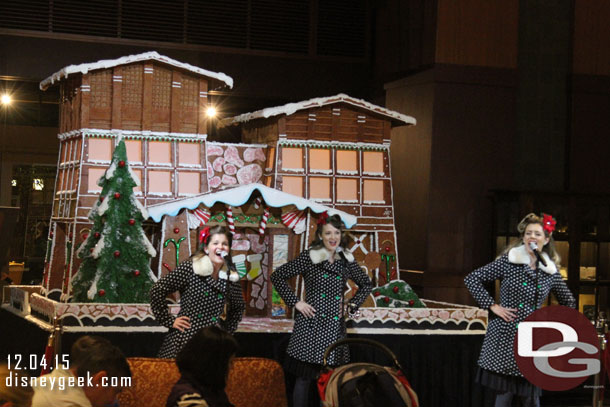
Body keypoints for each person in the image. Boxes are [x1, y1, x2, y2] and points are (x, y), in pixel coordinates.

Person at [464, 213, 576, 407]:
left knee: (531, 397)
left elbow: (569, 302)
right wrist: (493, 306)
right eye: (528, 233)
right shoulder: (509, 261)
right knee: (504, 394)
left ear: (546, 240)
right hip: (506, 334)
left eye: (537, 234)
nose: (532, 237)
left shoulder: (550, 271)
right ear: (523, 238)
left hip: (532, 338)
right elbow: (472, 278)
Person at [270, 213, 372, 407]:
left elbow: (366, 284)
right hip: (311, 325)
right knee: (304, 379)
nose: (333, 237)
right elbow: (278, 276)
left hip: (334, 328)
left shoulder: (346, 259)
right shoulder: (310, 257)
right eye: (328, 233)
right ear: (320, 236)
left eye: (337, 232)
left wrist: (351, 305)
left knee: (330, 380)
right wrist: (296, 302)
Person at [150, 225, 245, 359]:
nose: (221, 247)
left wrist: (227, 330)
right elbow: (157, 290)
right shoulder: (191, 267)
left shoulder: (230, 273)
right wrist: (169, 321)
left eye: (225, 244)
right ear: (206, 248)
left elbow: (238, 306)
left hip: (214, 343)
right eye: (216, 243)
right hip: (186, 340)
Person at [31, 335, 131, 407]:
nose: (113, 401)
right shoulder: (75, 403)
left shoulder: (44, 381)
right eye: (116, 391)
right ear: (100, 380)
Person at [166, 326, 238, 407]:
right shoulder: (189, 398)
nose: (232, 367)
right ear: (214, 364)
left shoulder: (210, 389)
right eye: (229, 362)